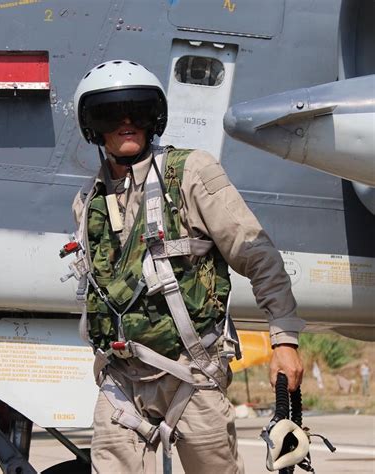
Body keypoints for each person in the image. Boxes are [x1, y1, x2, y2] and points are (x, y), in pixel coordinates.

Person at [69, 60, 305, 473]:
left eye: (137, 111)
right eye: (110, 113)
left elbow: (257, 254)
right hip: (121, 379)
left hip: (193, 373)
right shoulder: (88, 203)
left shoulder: (192, 173)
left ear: (154, 119)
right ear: (93, 127)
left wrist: (284, 340)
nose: (126, 122)